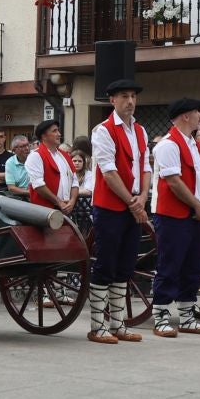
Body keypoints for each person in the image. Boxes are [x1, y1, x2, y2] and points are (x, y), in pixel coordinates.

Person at [88, 79, 151, 346]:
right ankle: (97, 326)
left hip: (133, 203)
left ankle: (118, 324)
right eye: (124, 96)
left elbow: (146, 167)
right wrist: (132, 201)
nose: (130, 101)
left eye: (133, 96)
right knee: (105, 264)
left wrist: (144, 197)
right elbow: (108, 171)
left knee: (125, 265)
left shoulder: (140, 131)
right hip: (110, 206)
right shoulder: (103, 130)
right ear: (112, 100)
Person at [151, 99, 200, 337]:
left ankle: (187, 316)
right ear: (186, 116)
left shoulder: (197, 146)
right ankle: (160, 316)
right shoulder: (168, 145)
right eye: (197, 112)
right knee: (169, 264)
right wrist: (198, 205)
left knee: (194, 265)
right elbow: (174, 182)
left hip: (194, 213)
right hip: (172, 214)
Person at [24, 120, 77, 215]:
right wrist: (59, 202)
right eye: (54, 131)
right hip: (45, 211)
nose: (59, 134)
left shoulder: (65, 155)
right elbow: (38, 185)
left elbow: (74, 182)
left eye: (58, 131)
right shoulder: (35, 156)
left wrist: (72, 201)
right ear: (44, 136)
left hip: (66, 209)